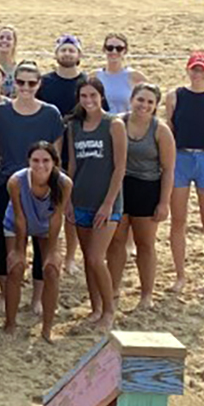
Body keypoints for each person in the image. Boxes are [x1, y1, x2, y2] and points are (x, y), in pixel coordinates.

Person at [0, 60, 63, 314]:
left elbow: (56, 155)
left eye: (32, 82)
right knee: (5, 242)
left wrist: (56, 188)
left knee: (42, 241)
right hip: (6, 184)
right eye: (21, 82)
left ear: (39, 84)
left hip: (42, 187)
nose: (26, 87)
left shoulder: (51, 114)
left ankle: (37, 298)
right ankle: (6, 293)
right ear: (13, 83)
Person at [65, 78, 125, 329]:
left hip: (106, 203)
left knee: (96, 258)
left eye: (93, 95)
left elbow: (120, 167)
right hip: (81, 200)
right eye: (84, 96)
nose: (88, 101)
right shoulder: (74, 126)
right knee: (88, 257)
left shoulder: (114, 124)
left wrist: (108, 202)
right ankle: (95, 307)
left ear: (101, 96)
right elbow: (72, 165)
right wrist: (68, 200)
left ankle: (109, 310)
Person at [167, 50, 204, 293]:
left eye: (202, 69)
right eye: (194, 69)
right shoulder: (175, 96)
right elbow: (170, 130)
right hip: (180, 158)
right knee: (178, 221)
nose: (198, 73)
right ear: (188, 70)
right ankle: (180, 277)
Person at [110, 83, 174, 311]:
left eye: (150, 102)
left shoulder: (160, 130)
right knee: (116, 241)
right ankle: (114, 289)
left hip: (147, 188)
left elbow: (168, 169)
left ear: (156, 106)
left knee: (145, 243)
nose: (144, 105)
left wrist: (164, 202)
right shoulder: (117, 121)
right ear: (131, 99)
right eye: (140, 100)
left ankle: (146, 293)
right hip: (120, 186)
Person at [2, 142, 73, 341]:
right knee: (16, 267)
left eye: (45, 161)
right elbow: (19, 217)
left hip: (46, 225)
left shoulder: (64, 183)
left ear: (54, 162)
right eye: (35, 160)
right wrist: (18, 250)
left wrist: (52, 252)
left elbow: (57, 217)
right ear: (28, 162)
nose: (40, 165)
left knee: (51, 270)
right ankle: (10, 323)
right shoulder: (16, 181)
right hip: (18, 223)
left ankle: (47, 328)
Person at [92, 32, 145, 116]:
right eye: (110, 48)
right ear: (104, 50)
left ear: (125, 51)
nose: (114, 51)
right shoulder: (94, 76)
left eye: (119, 48)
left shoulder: (136, 77)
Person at [38, 36, 88, 116]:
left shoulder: (87, 82)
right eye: (63, 50)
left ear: (79, 56)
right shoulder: (43, 82)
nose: (67, 53)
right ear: (56, 55)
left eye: (71, 51)